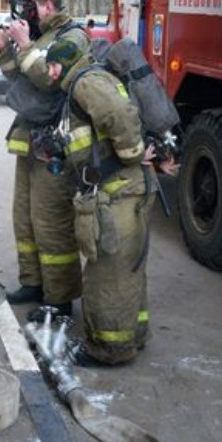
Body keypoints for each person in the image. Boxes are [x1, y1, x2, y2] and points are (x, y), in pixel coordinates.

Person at [44, 37, 177, 367]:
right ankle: (135, 333)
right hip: (124, 188)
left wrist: (133, 152)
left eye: (51, 66)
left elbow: (117, 112)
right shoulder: (87, 81)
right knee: (129, 267)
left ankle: (108, 348)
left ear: (63, 62)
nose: (49, 73)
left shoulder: (86, 82)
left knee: (108, 272)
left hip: (118, 190)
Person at [0, 0, 89, 318]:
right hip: (31, 143)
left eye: (30, 4)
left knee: (51, 222)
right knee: (25, 219)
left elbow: (48, 80)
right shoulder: (40, 37)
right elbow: (18, 80)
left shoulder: (71, 39)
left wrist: (24, 44)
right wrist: (5, 49)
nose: (25, 11)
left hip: (56, 146)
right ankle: (33, 283)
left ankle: (59, 298)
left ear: (48, 5)